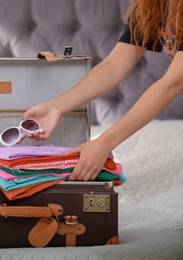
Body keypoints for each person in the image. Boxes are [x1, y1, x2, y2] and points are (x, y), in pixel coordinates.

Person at [23, 0, 183, 181]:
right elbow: (114, 66)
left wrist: (103, 143)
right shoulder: (152, 4)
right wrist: (55, 107)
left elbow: (173, 84)